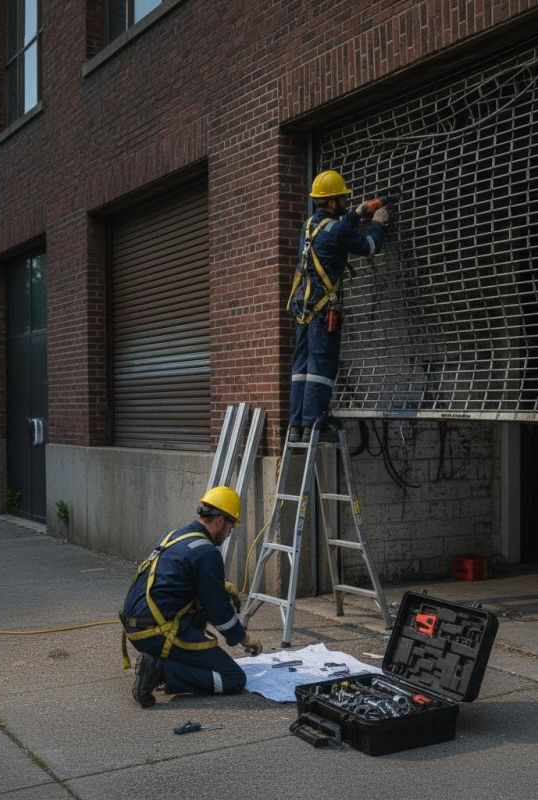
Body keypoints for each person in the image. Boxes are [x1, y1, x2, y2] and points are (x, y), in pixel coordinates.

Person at [120, 486, 262, 708]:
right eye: (230, 527)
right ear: (219, 521)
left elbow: (179, 580)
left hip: (138, 624)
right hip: (156, 631)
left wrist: (221, 587)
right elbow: (219, 612)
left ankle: (163, 661)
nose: (228, 533)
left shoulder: (177, 535)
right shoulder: (207, 553)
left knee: (203, 608)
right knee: (234, 679)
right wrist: (243, 638)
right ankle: (161, 669)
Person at [287, 169, 390, 442]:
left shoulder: (309, 225)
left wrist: (358, 212)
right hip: (323, 313)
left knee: (302, 368)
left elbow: (335, 230)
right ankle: (314, 426)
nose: (345, 201)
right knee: (321, 367)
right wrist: (378, 223)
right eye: (342, 199)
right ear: (332, 202)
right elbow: (368, 246)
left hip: (304, 310)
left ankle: (296, 426)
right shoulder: (338, 229)